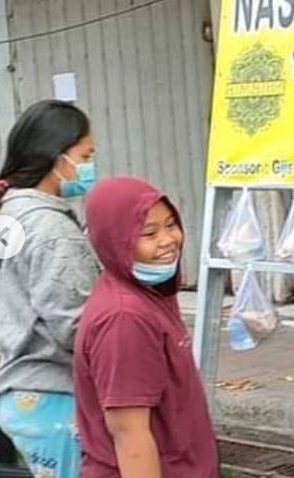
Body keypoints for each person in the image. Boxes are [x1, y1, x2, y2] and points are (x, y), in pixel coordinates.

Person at [0, 99, 99, 478]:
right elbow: (76, 327)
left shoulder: (6, 215)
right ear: (57, 158)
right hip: (57, 397)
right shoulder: (51, 229)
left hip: (24, 398)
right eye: (86, 154)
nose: (90, 165)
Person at [73, 177, 218, 478]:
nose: (167, 240)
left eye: (171, 225)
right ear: (115, 241)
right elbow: (131, 437)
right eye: (148, 233)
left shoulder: (150, 293)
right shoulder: (125, 318)